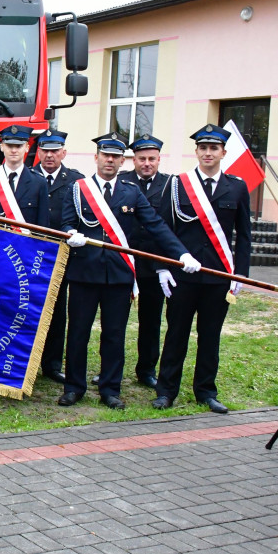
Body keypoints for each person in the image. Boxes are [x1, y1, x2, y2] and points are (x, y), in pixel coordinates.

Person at [60, 133, 198, 410]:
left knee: (114, 334)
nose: (109, 160)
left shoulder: (131, 191)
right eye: (105, 155)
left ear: (122, 161)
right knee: (77, 333)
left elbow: (156, 225)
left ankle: (110, 389)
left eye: (115, 156)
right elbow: (65, 223)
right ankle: (74, 387)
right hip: (85, 273)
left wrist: (180, 253)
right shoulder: (77, 189)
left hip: (119, 275)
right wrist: (69, 233)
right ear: (96, 157)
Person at [153, 125, 251, 414]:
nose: (208, 153)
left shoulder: (237, 186)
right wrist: (162, 267)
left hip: (219, 277)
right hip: (184, 276)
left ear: (223, 152)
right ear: (196, 151)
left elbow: (244, 235)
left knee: (210, 336)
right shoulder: (176, 185)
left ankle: (206, 392)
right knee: (176, 334)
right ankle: (166, 391)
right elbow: (163, 229)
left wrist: (240, 274)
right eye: (203, 148)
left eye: (213, 148)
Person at [117, 134, 172, 388]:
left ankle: (147, 369)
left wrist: (165, 264)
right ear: (133, 160)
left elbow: (169, 228)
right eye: (142, 159)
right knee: (115, 320)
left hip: (154, 266)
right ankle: (111, 368)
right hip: (124, 262)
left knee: (151, 320)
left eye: (152, 159)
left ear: (159, 159)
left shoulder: (171, 186)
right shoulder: (121, 181)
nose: (146, 163)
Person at [31, 129, 84, 384]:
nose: (49, 155)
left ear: (64, 152)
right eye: (45, 150)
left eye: (55, 150)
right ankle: (28, 360)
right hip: (29, 254)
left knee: (57, 310)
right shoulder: (28, 177)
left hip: (61, 255)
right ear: (38, 152)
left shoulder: (76, 181)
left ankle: (51, 364)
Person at [0, 125, 48, 227]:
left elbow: (43, 226)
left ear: (27, 148)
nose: (14, 150)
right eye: (9, 145)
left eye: (19, 146)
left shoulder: (38, 182)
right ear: (2, 147)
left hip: (25, 242)